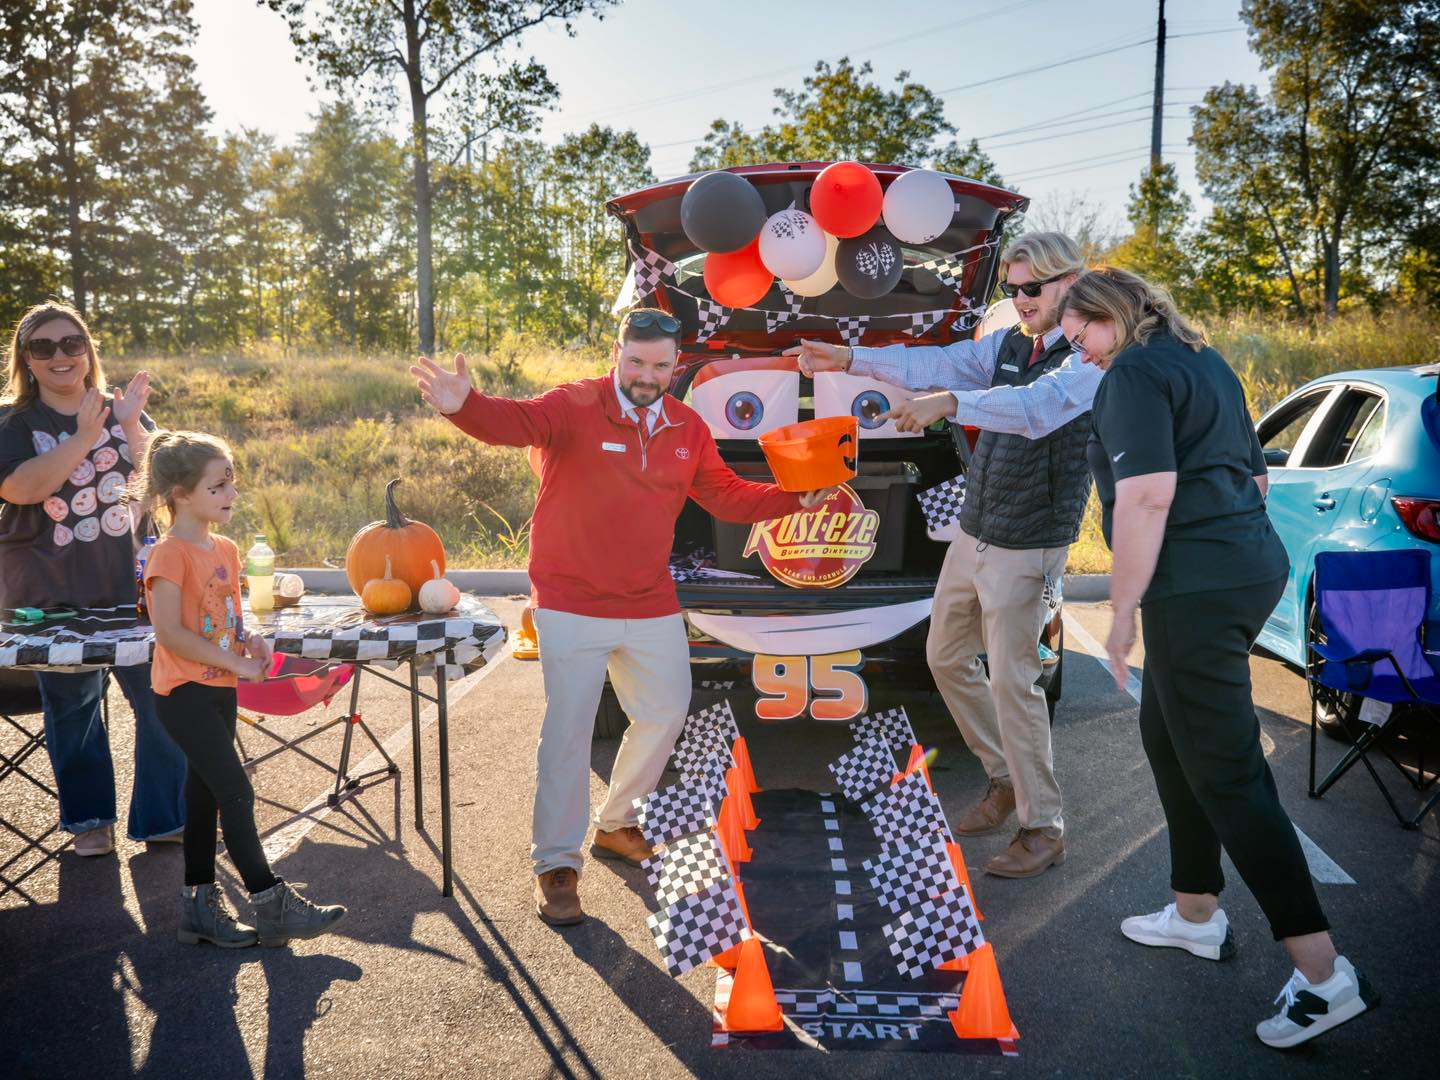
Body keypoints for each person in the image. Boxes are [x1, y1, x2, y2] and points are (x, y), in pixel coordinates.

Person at [412, 308, 831, 927]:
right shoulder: (574, 406)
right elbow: (512, 421)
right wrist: (463, 406)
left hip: (648, 598)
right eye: (636, 362)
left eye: (661, 365)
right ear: (617, 352)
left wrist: (792, 499)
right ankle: (557, 864)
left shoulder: (687, 426)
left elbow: (724, 494)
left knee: (665, 711)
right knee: (569, 733)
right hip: (571, 599)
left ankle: (617, 823)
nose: (647, 375)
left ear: (676, 364)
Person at [1059, 267, 1376, 1049]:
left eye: (1081, 336)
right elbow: (1257, 476)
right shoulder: (1201, 357)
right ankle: (1196, 913)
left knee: (1227, 773)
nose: (1080, 354)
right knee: (1171, 742)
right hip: (1245, 565)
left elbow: (1145, 496)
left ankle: (1324, 976)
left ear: (1115, 316)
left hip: (1195, 586)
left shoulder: (1134, 370)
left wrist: (1123, 609)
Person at [786, 232, 1102, 878]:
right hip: (978, 525)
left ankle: (1043, 826)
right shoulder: (1011, 344)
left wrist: (953, 403)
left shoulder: (1092, 357)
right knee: (946, 654)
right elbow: (934, 364)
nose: (1019, 300)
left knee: (1015, 679)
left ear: (1070, 283)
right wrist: (847, 358)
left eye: (1031, 288)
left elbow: (1036, 410)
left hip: (1032, 537)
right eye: (1012, 288)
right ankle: (1004, 778)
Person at [136, 430, 346, 948]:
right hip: (182, 694)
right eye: (218, 486)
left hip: (218, 689)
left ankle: (198, 911)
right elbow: (170, 634)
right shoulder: (169, 556)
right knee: (235, 789)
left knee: (204, 796)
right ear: (181, 495)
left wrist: (247, 639)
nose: (231, 494)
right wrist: (235, 661)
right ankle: (270, 901)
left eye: (232, 482)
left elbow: (224, 619)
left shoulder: (225, 547)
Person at [0, 301, 186, 856]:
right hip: (49, 597)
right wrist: (81, 438)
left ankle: (164, 817)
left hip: (130, 590)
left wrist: (129, 424)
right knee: (74, 709)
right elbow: (22, 490)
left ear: (88, 352)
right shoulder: (12, 423)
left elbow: (164, 487)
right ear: (27, 360)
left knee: (162, 697)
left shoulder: (124, 410)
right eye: (44, 347)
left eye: (71, 344)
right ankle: (89, 822)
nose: (60, 356)